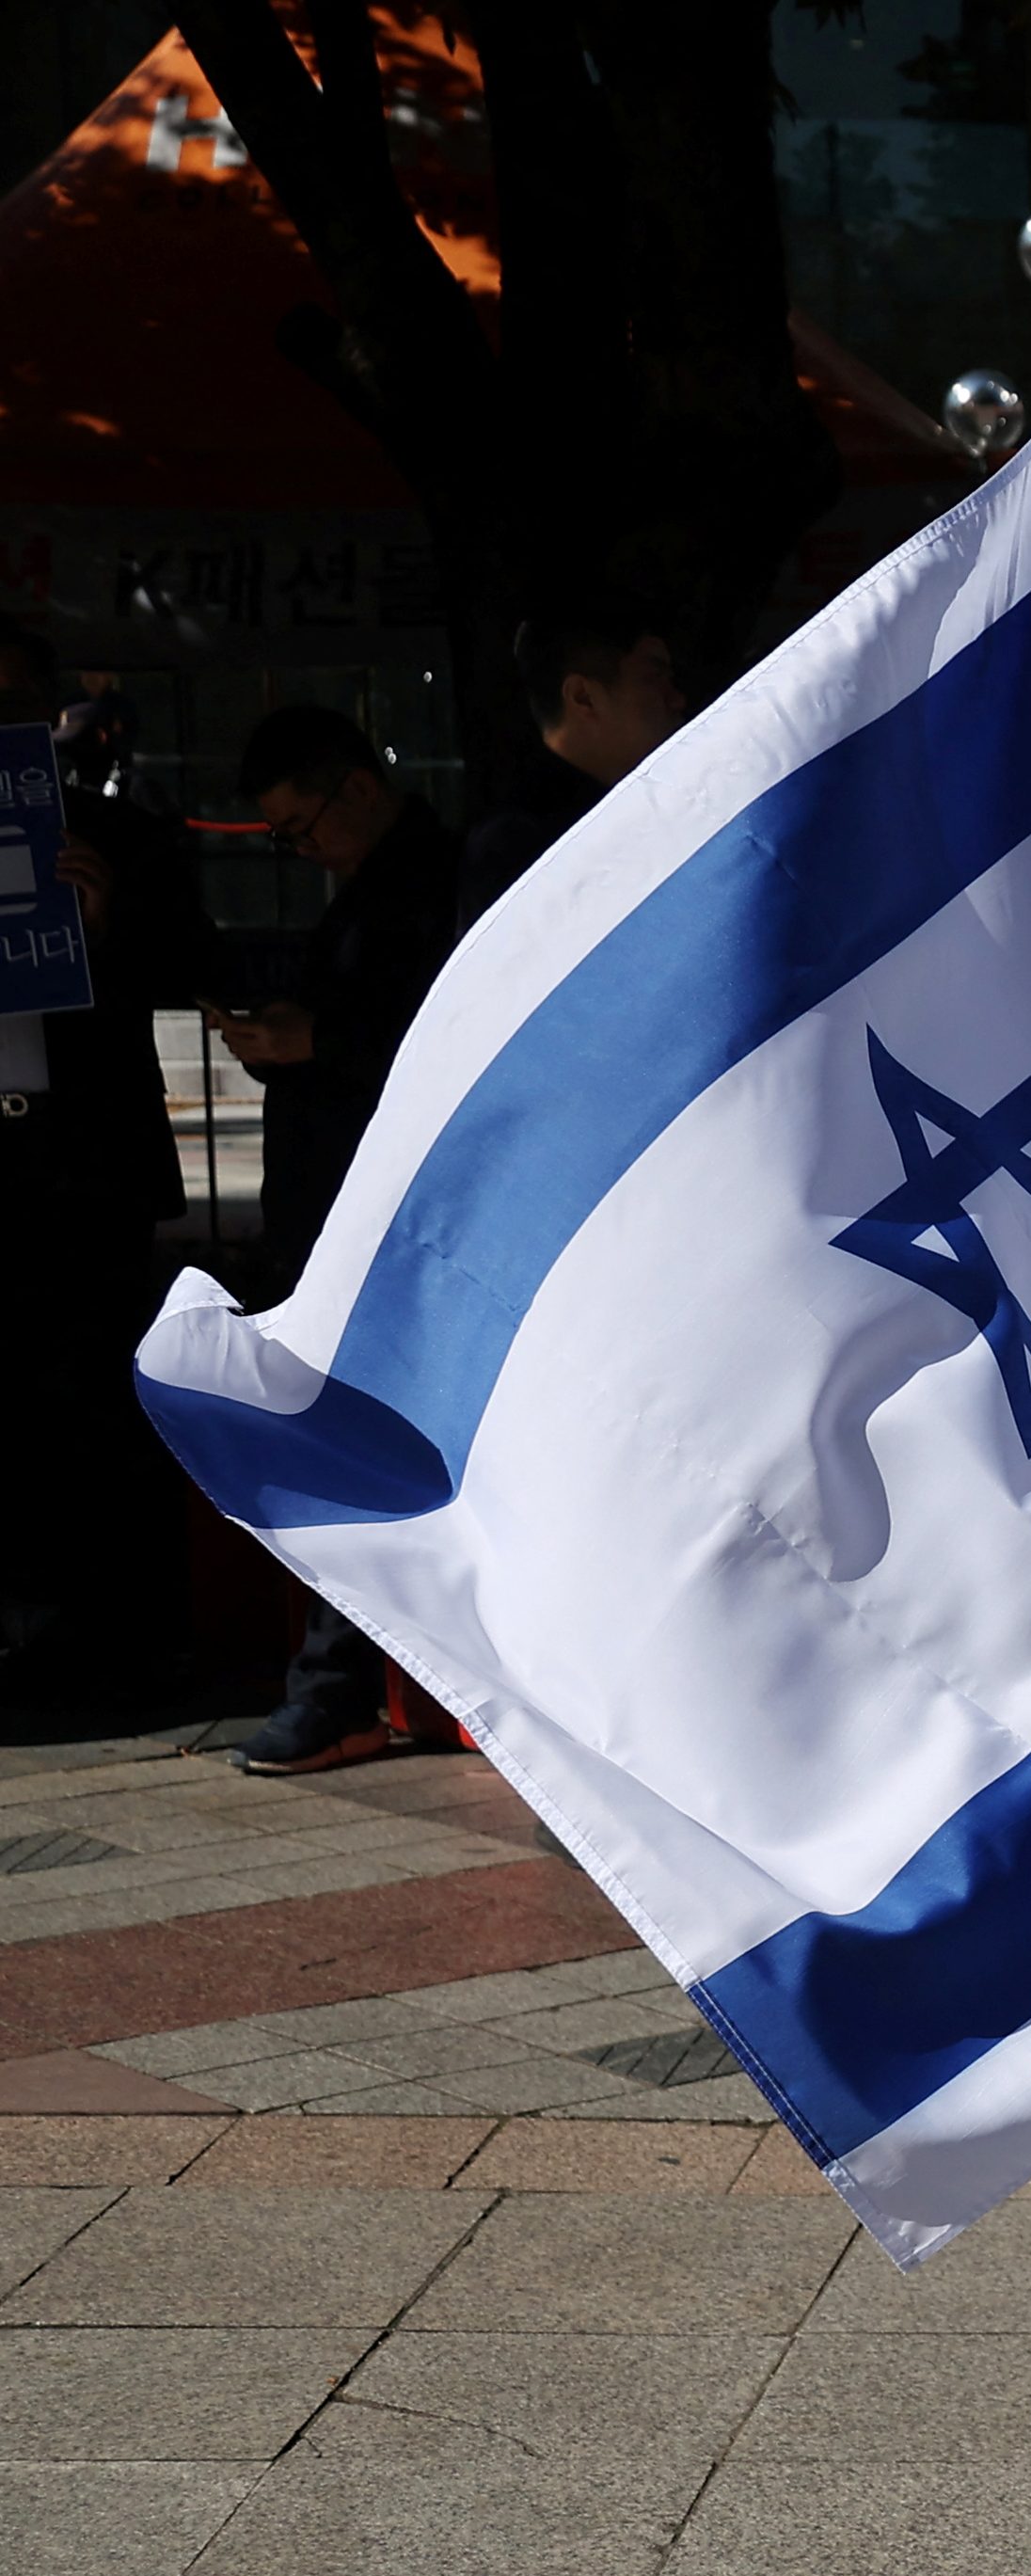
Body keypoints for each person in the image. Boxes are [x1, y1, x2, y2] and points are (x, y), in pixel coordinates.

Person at [218, 704, 463, 1774]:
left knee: (350, 1448)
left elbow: (439, 1043)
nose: (298, 847)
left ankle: (338, 1688)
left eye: (297, 824)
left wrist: (319, 1039)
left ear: (357, 786)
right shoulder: (377, 886)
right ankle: (349, 1685)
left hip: (387, 1222)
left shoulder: (441, 878)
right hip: (339, 1211)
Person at [0, 623, 213, 1711]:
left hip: (85, 1170)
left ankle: (113, 1631)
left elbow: (193, 965)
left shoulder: (117, 833)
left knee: (93, 1399)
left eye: (15, 707)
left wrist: (106, 921)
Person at [458, 592, 686, 925]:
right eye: (653, 678)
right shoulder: (517, 849)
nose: (677, 699)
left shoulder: (657, 803)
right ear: (584, 697)